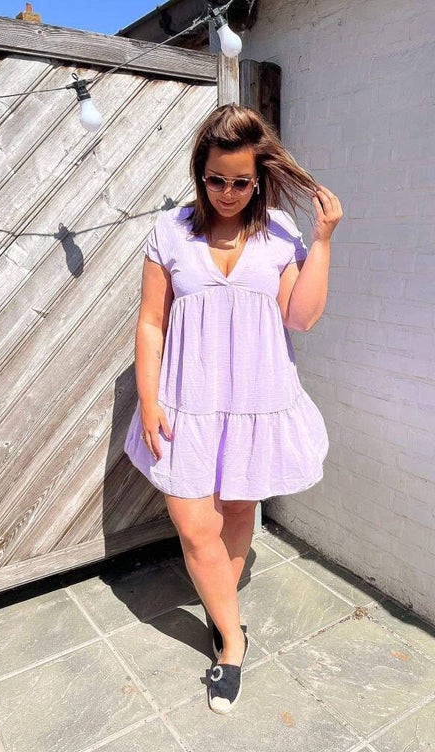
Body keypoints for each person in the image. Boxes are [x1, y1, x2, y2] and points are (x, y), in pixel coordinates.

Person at [124, 103, 342, 714]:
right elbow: (150, 322)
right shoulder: (171, 231)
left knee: (240, 508)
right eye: (216, 179)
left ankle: (224, 618)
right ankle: (234, 642)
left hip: (254, 401)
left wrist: (322, 241)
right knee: (196, 527)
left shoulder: (279, 232)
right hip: (186, 405)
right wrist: (148, 398)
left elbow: (301, 317)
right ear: (201, 172)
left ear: (258, 178)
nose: (227, 192)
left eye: (240, 182)